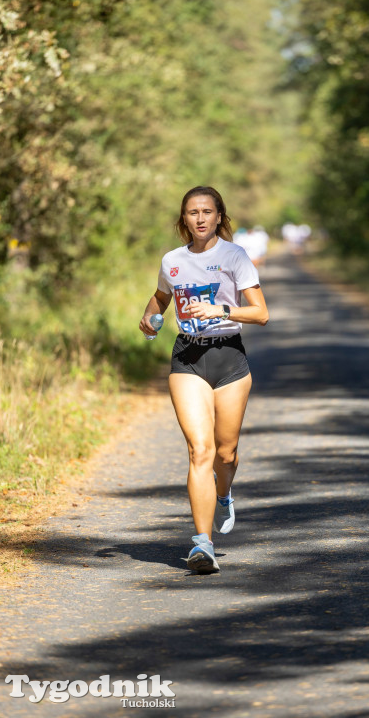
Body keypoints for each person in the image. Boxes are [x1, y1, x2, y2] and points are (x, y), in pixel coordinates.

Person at [139, 186, 269, 574]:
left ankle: (224, 493)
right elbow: (160, 299)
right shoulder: (172, 260)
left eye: (207, 212)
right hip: (188, 357)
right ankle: (202, 544)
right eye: (192, 212)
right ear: (184, 219)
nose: (199, 218)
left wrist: (219, 307)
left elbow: (261, 313)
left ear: (218, 216)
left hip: (229, 357)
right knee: (200, 450)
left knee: (225, 455)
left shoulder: (234, 255)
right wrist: (149, 318)